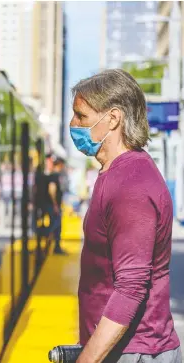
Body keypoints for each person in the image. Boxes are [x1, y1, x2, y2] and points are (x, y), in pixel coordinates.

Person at [69, 69, 181, 362]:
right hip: (120, 349)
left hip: (135, 352)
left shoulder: (130, 183)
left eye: (81, 116)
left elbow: (131, 288)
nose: (73, 124)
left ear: (113, 118)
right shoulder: (117, 173)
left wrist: (87, 359)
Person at [47, 157, 65, 254]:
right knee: (55, 226)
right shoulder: (55, 176)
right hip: (54, 206)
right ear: (60, 165)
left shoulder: (54, 175)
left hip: (55, 205)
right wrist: (55, 205)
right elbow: (52, 189)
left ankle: (55, 247)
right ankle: (52, 246)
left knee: (56, 226)